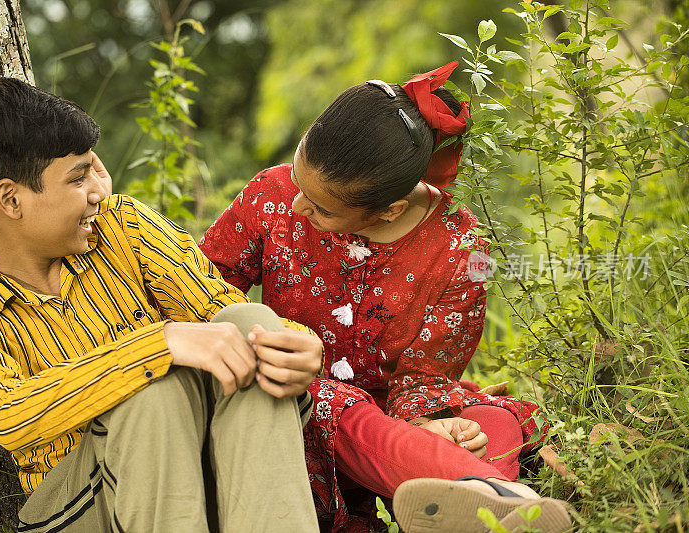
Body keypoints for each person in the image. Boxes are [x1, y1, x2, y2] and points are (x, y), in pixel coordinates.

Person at [0, 76, 324, 532]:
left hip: (192, 464)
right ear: (11, 199)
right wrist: (157, 345)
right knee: (151, 393)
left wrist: (299, 347)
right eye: (78, 178)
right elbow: (9, 414)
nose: (100, 190)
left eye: (94, 169)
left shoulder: (124, 228)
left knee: (248, 321)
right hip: (82, 507)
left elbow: (221, 308)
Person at [200, 62, 570, 532]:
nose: (297, 205)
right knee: (343, 411)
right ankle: (499, 498)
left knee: (485, 427)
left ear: (388, 210)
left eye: (323, 209)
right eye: (298, 180)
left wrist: (435, 424)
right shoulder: (270, 195)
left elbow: (428, 375)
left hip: (399, 415)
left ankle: (480, 500)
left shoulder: (460, 246)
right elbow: (199, 293)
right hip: (291, 399)